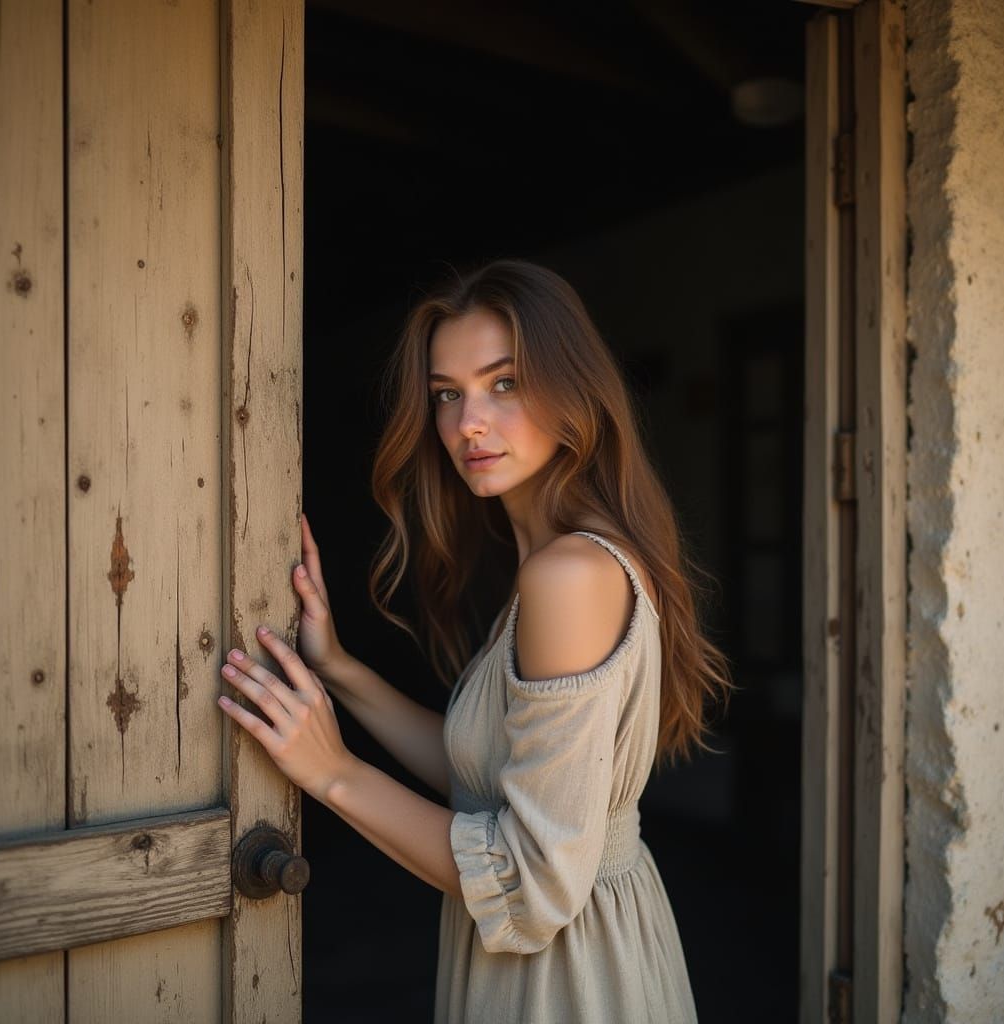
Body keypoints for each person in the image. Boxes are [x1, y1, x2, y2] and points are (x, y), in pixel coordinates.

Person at [217, 258, 730, 1023]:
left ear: (572, 392)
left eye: (505, 383)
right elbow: (487, 777)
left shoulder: (569, 576)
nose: (468, 423)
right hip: (570, 952)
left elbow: (530, 884)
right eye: (447, 396)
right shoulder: (554, 562)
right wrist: (339, 670)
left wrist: (332, 772)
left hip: (570, 982)